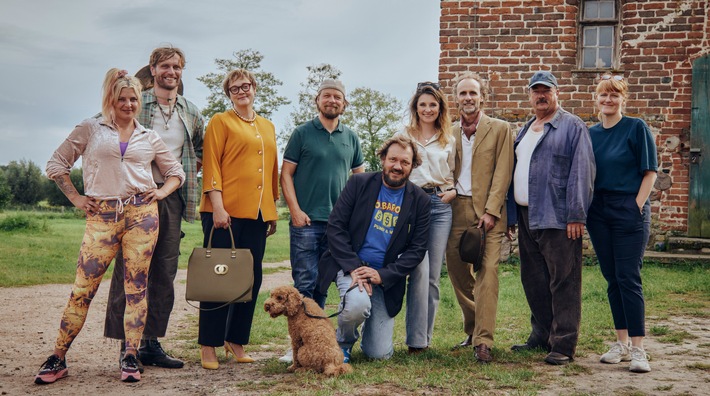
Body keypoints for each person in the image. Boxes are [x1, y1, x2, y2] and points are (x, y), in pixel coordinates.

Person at [38, 68, 185, 384]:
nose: (129, 104)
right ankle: (57, 358)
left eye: (133, 99)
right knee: (82, 290)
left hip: (142, 217)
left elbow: (176, 172)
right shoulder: (91, 129)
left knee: (136, 290)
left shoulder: (149, 136)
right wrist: (77, 198)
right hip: (102, 218)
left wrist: (160, 192)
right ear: (110, 99)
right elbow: (56, 164)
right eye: (122, 98)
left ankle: (130, 357)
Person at [104, 46, 204, 370]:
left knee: (164, 272)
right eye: (164, 66)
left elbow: (198, 147)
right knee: (131, 270)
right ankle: (127, 346)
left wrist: (185, 171)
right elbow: (106, 129)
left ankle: (150, 343)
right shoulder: (136, 101)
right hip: (134, 196)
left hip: (171, 197)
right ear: (153, 68)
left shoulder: (190, 110)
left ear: (181, 71)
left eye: (176, 66)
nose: (171, 72)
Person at [316, 135, 431, 363]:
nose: (397, 166)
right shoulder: (359, 183)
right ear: (383, 159)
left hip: (384, 279)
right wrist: (354, 267)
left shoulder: (419, 200)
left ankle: (370, 320)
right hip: (353, 268)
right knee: (356, 306)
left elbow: (417, 250)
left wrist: (382, 275)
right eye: (393, 159)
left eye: (405, 162)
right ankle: (344, 343)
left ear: (413, 165)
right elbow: (335, 227)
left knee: (378, 354)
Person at [507, 70, 595, 365]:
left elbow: (582, 172)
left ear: (557, 93)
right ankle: (541, 334)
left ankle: (563, 343)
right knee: (534, 280)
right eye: (536, 91)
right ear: (530, 95)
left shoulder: (573, 126)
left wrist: (576, 215)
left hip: (558, 218)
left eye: (547, 90)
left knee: (564, 281)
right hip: (526, 216)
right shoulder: (526, 128)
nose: (541, 95)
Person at [198, 68, 279, 370]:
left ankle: (236, 341)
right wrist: (217, 206)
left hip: (258, 214)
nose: (242, 91)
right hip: (224, 214)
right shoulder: (220, 122)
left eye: (246, 86)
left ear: (255, 88)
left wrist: (271, 210)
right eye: (235, 88)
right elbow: (211, 165)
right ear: (229, 94)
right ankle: (209, 345)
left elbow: (272, 169)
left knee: (250, 279)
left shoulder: (268, 126)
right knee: (218, 278)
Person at [279, 79, 365, 362]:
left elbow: (359, 180)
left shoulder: (351, 137)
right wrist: (294, 209)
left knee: (323, 285)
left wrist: (354, 216)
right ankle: (296, 348)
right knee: (304, 285)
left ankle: (318, 345)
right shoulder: (303, 133)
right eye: (326, 96)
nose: (332, 100)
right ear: (317, 101)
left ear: (345, 104)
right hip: (305, 221)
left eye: (337, 97)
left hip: (337, 225)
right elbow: (286, 173)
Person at [586, 74, 657, 373]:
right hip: (598, 211)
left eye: (614, 95)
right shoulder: (590, 133)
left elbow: (650, 172)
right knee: (612, 277)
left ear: (623, 99)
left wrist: (635, 206)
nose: (608, 100)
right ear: (597, 99)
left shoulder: (636, 127)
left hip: (629, 207)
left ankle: (639, 349)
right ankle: (621, 343)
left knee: (628, 277)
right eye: (604, 95)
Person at [445, 73, 514, 363]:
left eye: (473, 93)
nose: (468, 98)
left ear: (482, 97)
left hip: (490, 212)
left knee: (488, 275)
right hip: (455, 210)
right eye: (462, 94)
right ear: (456, 99)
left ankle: (483, 341)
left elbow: (503, 171)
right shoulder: (447, 132)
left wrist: (491, 211)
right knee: (459, 274)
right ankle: (473, 328)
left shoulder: (500, 129)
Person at [397, 82, 455, 353]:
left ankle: (422, 341)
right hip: (413, 204)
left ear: (439, 107)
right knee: (417, 271)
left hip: (441, 206)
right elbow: (396, 168)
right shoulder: (404, 135)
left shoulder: (448, 138)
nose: (428, 109)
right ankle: (412, 337)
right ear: (415, 108)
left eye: (433, 104)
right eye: (423, 104)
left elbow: (457, 173)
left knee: (432, 275)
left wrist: (453, 190)